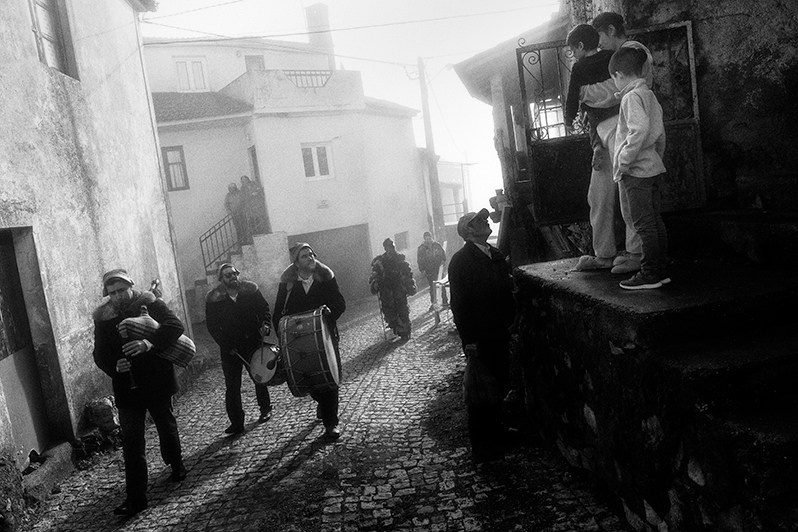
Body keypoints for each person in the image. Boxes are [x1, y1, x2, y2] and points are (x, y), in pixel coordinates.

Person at [92, 269, 187, 517]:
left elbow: (175, 326)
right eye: (112, 293)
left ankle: (176, 463)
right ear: (107, 295)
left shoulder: (148, 303)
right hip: (127, 388)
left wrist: (148, 343)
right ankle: (136, 498)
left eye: (122, 290)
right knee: (132, 443)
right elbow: (99, 353)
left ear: (130, 286)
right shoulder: (103, 318)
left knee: (166, 426)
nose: (118, 296)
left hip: (156, 380)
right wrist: (114, 365)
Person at [571, 11, 657, 275]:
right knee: (599, 193)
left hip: (626, 131)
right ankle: (604, 253)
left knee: (627, 193)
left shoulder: (633, 53)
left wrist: (585, 92)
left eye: (599, 37)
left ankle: (635, 253)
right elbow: (603, 99)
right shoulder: (611, 59)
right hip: (609, 132)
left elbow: (613, 95)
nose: (598, 45)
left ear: (609, 30)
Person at [448, 209, 515, 464]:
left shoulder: (495, 254)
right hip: (480, 336)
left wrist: (511, 318)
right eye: (478, 221)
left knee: (499, 382)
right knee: (480, 391)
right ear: (467, 231)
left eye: (485, 219)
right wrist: (469, 340)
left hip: (500, 330)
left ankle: (497, 431)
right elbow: (460, 305)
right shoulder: (461, 261)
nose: (485, 221)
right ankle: (482, 446)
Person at [609, 47, 670, 289]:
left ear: (620, 74)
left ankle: (650, 274)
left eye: (613, 77)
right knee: (655, 222)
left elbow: (639, 129)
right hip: (653, 167)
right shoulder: (649, 96)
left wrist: (624, 161)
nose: (614, 82)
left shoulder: (630, 98)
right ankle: (659, 270)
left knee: (643, 225)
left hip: (637, 172)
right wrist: (657, 158)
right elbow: (660, 134)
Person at [273, 243, 346, 440]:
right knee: (310, 380)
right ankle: (323, 404)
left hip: (326, 337)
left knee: (330, 377)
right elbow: (278, 314)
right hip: (299, 342)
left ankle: (331, 423)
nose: (311, 257)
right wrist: (283, 336)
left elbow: (340, 302)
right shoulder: (288, 284)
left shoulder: (326, 277)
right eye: (305, 256)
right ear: (296, 263)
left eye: (312, 254)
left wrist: (331, 312)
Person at [205, 263, 274, 435]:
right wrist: (226, 345)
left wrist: (265, 324)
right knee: (232, 386)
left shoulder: (250, 290)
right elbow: (212, 326)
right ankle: (237, 422)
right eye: (228, 275)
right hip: (230, 349)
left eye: (234, 273)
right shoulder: (214, 299)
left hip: (252, 342)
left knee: (259, 376)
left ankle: (265, 409)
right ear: (221, 279)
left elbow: (264, 308)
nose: (232, 277)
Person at [564, 24, 620, 171]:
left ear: (581, 46)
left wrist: (568, 119)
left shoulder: (578, 68)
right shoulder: (610, 56)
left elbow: (572, 95)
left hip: (596, 113)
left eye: (573, 50)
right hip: (615, 107)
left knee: (592, 126)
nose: (573, 54)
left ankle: (597, 147)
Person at [370, 238, 417, 340]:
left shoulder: (399, 259)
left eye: (391, 247)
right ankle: (395, 327)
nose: (389, 249)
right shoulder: (380, 261)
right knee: (389, 311)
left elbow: (407, 273)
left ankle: (404, 331)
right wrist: (375, 283)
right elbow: (375, 274)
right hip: (386, 291)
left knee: (402, 310)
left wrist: (410, 286)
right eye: (387, 247)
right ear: (385, 248)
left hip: (399, 289)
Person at [416, 231, 448, 309]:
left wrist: (443, 260)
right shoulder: (421, 249)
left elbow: (443, 254)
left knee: (442, 285)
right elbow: (420, 260)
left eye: (429, 237)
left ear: (431, 237)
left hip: (438, 269)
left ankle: (445, 301)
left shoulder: (437, 245)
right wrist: (422, 269)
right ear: (424, 239)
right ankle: (434, 303)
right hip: (429, 270)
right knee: (432, 287)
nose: (428, 239)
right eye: (426, 238)